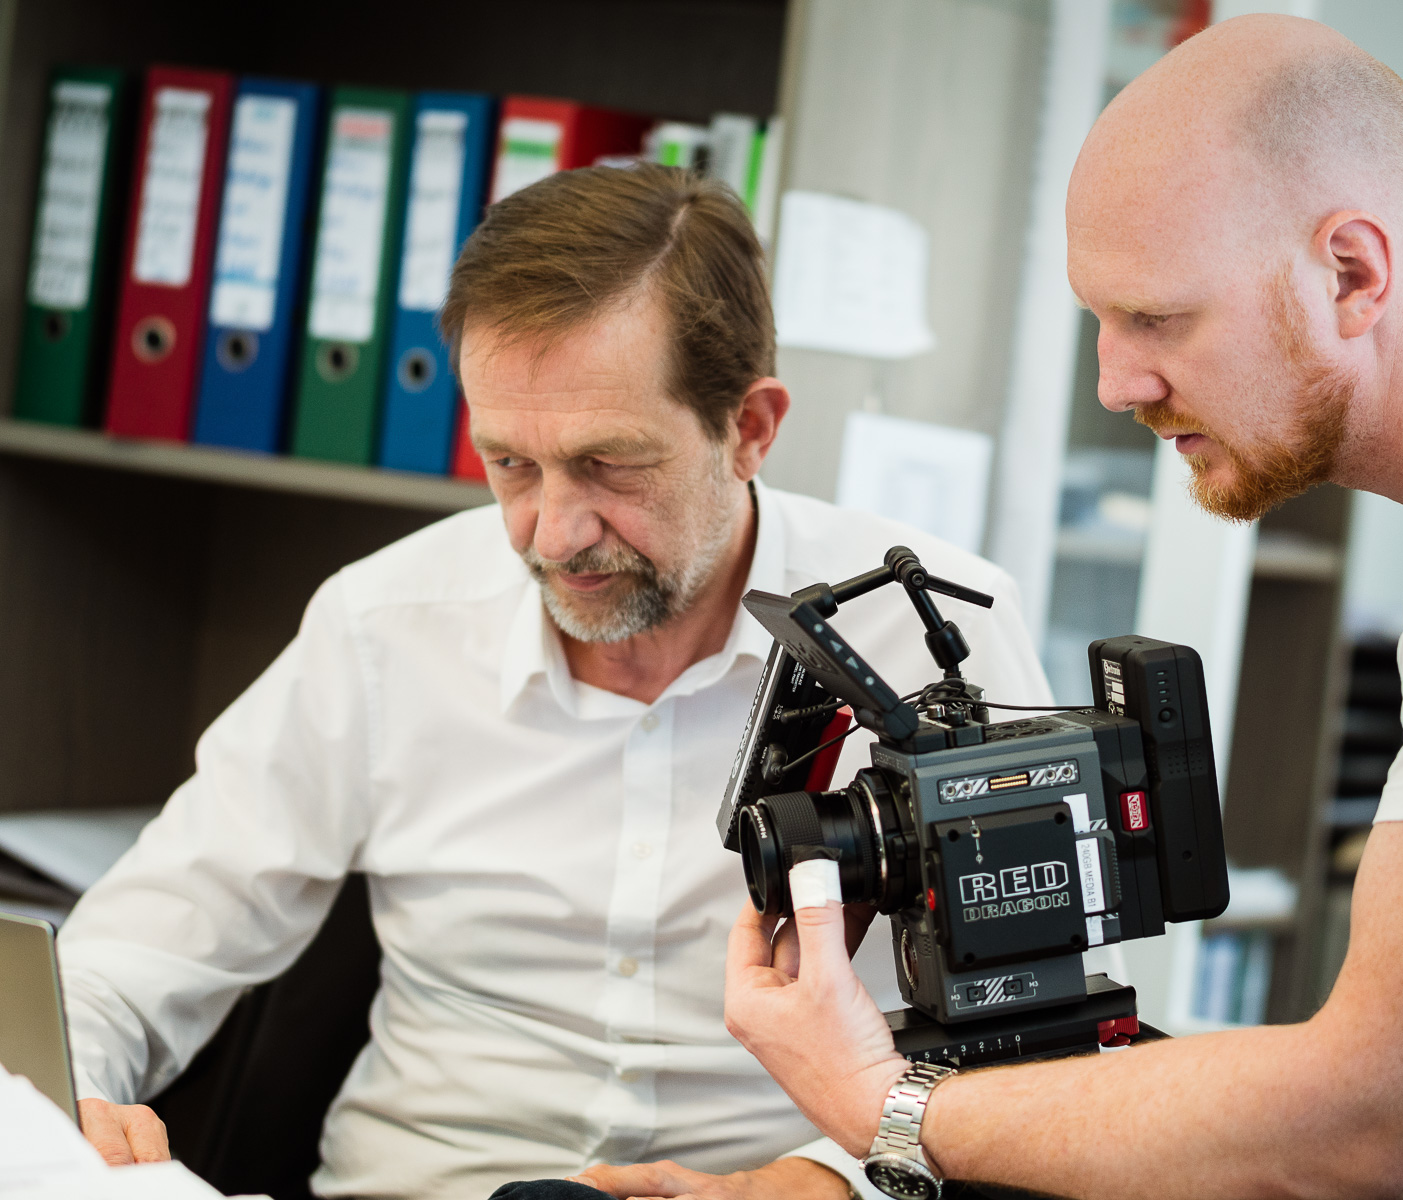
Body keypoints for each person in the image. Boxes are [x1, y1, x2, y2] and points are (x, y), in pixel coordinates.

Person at [717, 14, 1403, 1200]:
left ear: (1352, 273)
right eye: (1100, 318)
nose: (1115, 381)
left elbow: (1383, 1127)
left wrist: (886, 1105)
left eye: (1158, 317)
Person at [58, 165, 1051, 1200]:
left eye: (611, 465)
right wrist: (71, 1101)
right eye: (510, 466)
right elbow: (135, 948)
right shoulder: (385, 624)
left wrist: (830, 1182)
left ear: (750, 428)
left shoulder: (934, 633)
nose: (554, 532)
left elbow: (1044, 1037)